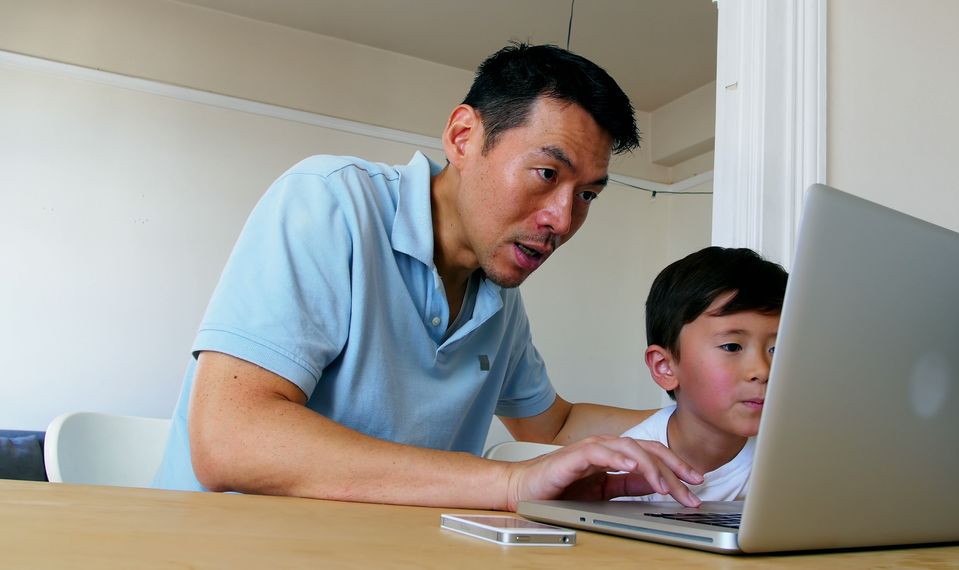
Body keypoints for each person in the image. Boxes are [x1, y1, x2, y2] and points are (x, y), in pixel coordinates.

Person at [151, 43, 704, 510]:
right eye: (546, 173)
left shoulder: (497, 302)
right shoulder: (332, 201)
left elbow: (552, 427)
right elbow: (231, 437)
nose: (563, 219)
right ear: (464, 137)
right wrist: (511, 483)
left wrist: (704, 416)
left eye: (586, 195)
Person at [619, 247, 788, 501]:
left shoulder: (793, 463)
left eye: (777, 348)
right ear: (665, 366)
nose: (763, 370)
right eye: (732, 347)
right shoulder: (625, 469)